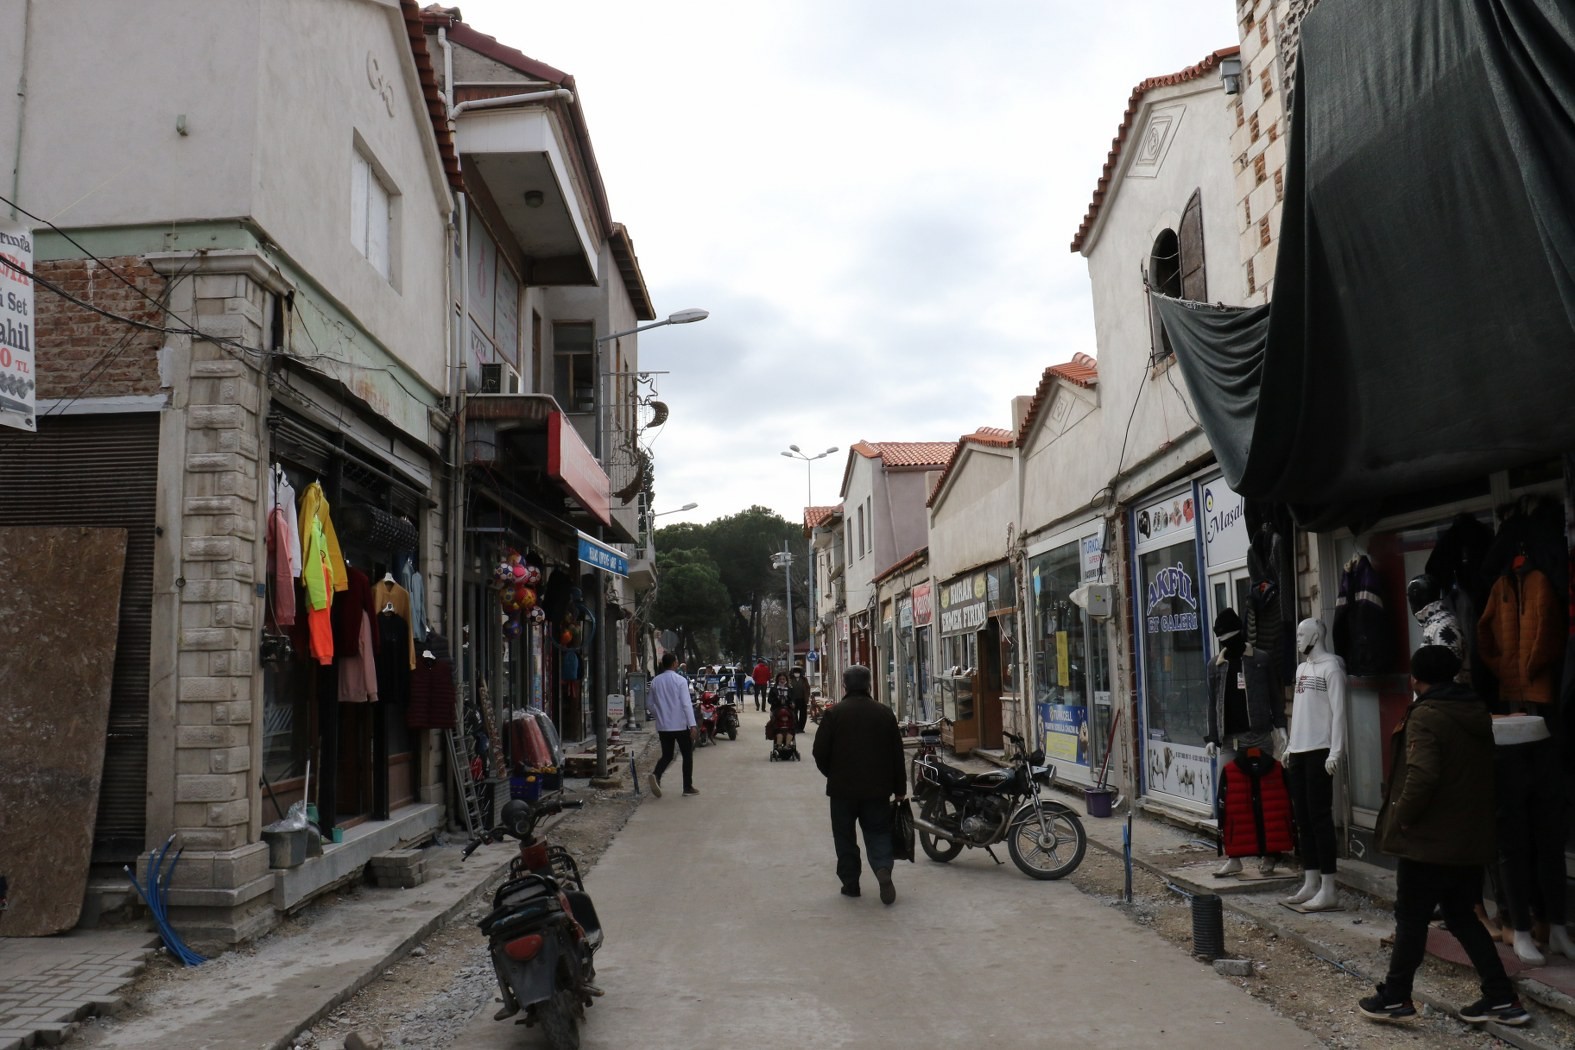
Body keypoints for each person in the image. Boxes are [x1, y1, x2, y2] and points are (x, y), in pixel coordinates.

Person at [1358, 646, 1528, 1027]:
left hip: (1428, 841)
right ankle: (1501, 997)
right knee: (1462, 916)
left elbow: (1423, 775)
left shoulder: (1426, 716)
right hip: (1466, 839)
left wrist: (1402, 819)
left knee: (1411, 917)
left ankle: (1396, 996)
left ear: (1416, 679)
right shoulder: (1474, 711)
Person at [812, 665, 906, 905]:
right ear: (869, 684)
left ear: (845, 685)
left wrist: (833, 774)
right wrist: (900, 789)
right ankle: (882, 868)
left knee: (844, 836)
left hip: (842, 791)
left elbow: (819, 751)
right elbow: (897, 754)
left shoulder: (834, 714)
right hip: (877, 790)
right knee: (878, 832)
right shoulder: (884, 713)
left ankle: (851, 884)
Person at [1204, 607, 1287, 877]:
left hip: (1259, 736)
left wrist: (1281, 726)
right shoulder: (1216, 665)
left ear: (1239, 634)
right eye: (1222, 639)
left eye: (1229, 637)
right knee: (1229, 799)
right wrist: (1212, 737)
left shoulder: (1260, 659)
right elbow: (1212, 702)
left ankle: (1270, 855)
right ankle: (1234, 856)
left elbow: (1274, 695)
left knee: (1267, 798)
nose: (1226, 643)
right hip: (1230, 740)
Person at [1284, 618, 1346, 911]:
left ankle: (1329, 886)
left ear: (1316, 636)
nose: (1298, 639)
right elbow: (1299, 711)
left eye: (1302, 634)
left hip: (1320, 750)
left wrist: (1336, 751)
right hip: (1299, 750)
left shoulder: (1331, 668)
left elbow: (1339, 713)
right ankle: (1310, 879)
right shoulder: (1301, 669)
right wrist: (1290, 745)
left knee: (1320, 818)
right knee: (1303, 818)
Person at [646, 652, 699, 798]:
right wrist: (692, 725)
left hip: (664, 726)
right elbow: (686, 704)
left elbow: (649, 704)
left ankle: (656, 775)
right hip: (680, 725)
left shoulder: (656, 681)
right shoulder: (680, 680)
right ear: (675, 663)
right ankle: (687, 787)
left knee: (667, 755)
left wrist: (659, 714)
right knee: (687, 755)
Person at [788, 666, 811, 732]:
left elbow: (807, 688)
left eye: (798, 672)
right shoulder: (790, 679)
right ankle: (796, 727)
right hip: (794, 700)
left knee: (803, 715)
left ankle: (801, 728)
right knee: (794, 714)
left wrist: (807, 696)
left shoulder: (804, 679)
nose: (797, 673)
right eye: (795, 672)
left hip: (802, 699)